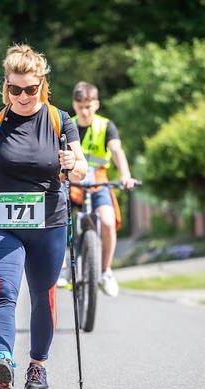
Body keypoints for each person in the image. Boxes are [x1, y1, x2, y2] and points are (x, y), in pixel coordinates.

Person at [0, 44, 87, 389]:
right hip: (1, 222)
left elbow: (82, 168)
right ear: (6, 87)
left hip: (49, 223)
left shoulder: (60, 120)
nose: (23, 95)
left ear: (42, 85)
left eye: (30, 88)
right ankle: (3, 361)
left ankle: (37, 366)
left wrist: (73, 164)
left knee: (44, 295)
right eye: (15, 89)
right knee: (5, 292)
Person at [70, 81, 135, 297]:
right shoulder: (68, 125)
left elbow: (116, 150)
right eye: (80, 107)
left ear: (96, 104)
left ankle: (105, 271)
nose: (85, 111)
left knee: (107, 222)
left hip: (98, 179)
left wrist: (125, 175)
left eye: (88, 106)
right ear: (74, 105)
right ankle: (63, 266)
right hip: (71, 181)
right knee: (56, 220)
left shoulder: (106, 126)